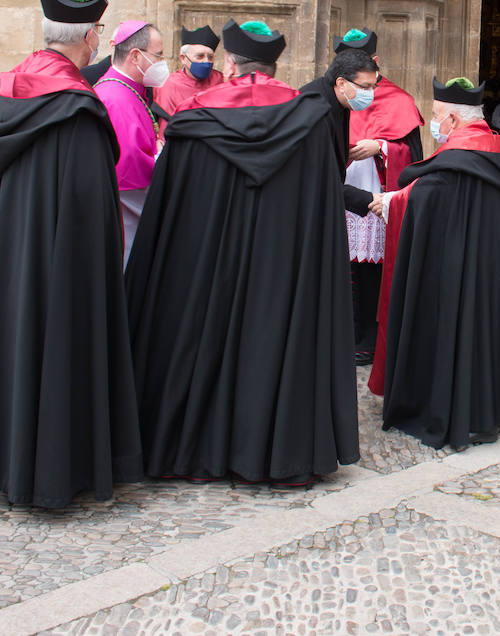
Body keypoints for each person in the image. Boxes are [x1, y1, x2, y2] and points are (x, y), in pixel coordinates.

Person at [0, 0, 142, 508]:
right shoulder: (78, 109)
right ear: (90, 37)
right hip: (54, 269)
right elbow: (93, 215)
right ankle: (49, 467)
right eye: (97, 31)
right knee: (52, 344)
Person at [124, 26, 364, 486]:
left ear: (230, 65)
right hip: (283, 266)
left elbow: (169, 209)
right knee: (274, 341)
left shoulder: (194, 119)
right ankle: (277, 456)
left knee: (200, 335)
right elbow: (320, 207)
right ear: (275, 68)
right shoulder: (310, 120)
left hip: (206, 262)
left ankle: (192, 451)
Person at [369, 77, 500, 448]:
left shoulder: (458, 161)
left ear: (453, 120)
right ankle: (488, 411)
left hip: (455, 270)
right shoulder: (496, 149)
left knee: (455, 328)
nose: (434, 123)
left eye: (437, 115)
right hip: (489, 272)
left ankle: (454, 410)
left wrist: (393, 202)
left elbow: (432, 198)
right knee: (484, 330)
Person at [334, 28, 424, 367]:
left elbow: (413, 154)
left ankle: (370, 340)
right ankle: (342, 335)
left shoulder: (399, 100)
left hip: (377, 199)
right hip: (342, 194)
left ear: (375, 61)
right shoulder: (337, 95)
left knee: (372, 274)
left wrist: (382, 147)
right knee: (342, 269)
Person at [93, 20, 167, 266]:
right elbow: (129, 166)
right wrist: (162, 160)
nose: (162, 64)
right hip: (125, 221)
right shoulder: (115, 98)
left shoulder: (128, 89)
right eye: (158, 56)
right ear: (135, 56)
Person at [153, 24, 224, 116]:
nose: (206, 62)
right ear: (183, 59)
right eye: (200, 56)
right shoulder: (168, 85)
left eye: (210, 57)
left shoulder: (221, 80)